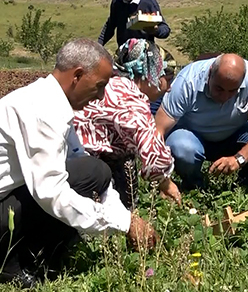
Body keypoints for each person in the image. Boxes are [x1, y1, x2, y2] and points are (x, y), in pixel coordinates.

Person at [0, 39, 157, 289]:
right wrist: (123, 223)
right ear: (77, 76)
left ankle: (34, 256)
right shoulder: (41, 109)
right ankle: (1, 262)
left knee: (94, 172)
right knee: (84, 177)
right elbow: (51, 193)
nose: (100, 97)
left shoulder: (52, 103)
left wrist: (127, 218)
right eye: (99, 86)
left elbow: (82, 164)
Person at [74, 38, 181, 210]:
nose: (169, 88)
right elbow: (153, 155)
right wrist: (166, 184)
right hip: (88, 170)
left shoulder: (109, 85)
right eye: (167, 78)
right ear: (150, 75)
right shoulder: (131, 100)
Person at [154, 53, 248, 194]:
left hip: (233, 136)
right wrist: (161, 178)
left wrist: (238, 159)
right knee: (182, 146)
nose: (225, 97)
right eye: (219, 89)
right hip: (192, 137)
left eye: (233, 91)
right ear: (210, 74)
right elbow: (158, 131)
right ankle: (193, 189)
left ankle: (245, 190)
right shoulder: (188, 81)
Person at [97, 0, 170, 48]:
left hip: (145, 53)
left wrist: (155, 31)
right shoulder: (117, 1)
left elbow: (165, 30)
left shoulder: (148, 2)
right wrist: (98, 46)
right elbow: (110, 27)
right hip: (123, 53)